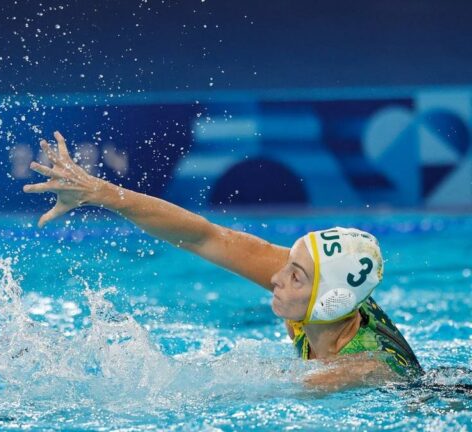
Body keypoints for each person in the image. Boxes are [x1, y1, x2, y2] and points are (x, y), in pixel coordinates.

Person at [23, 132, 422, 390]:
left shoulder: (363, 370)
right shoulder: (322, 291)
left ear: (328, 302)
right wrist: (102, 193)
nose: (276, 278)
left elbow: (236, 389)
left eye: (295, 276)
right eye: (288, 264)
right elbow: (203, 235)